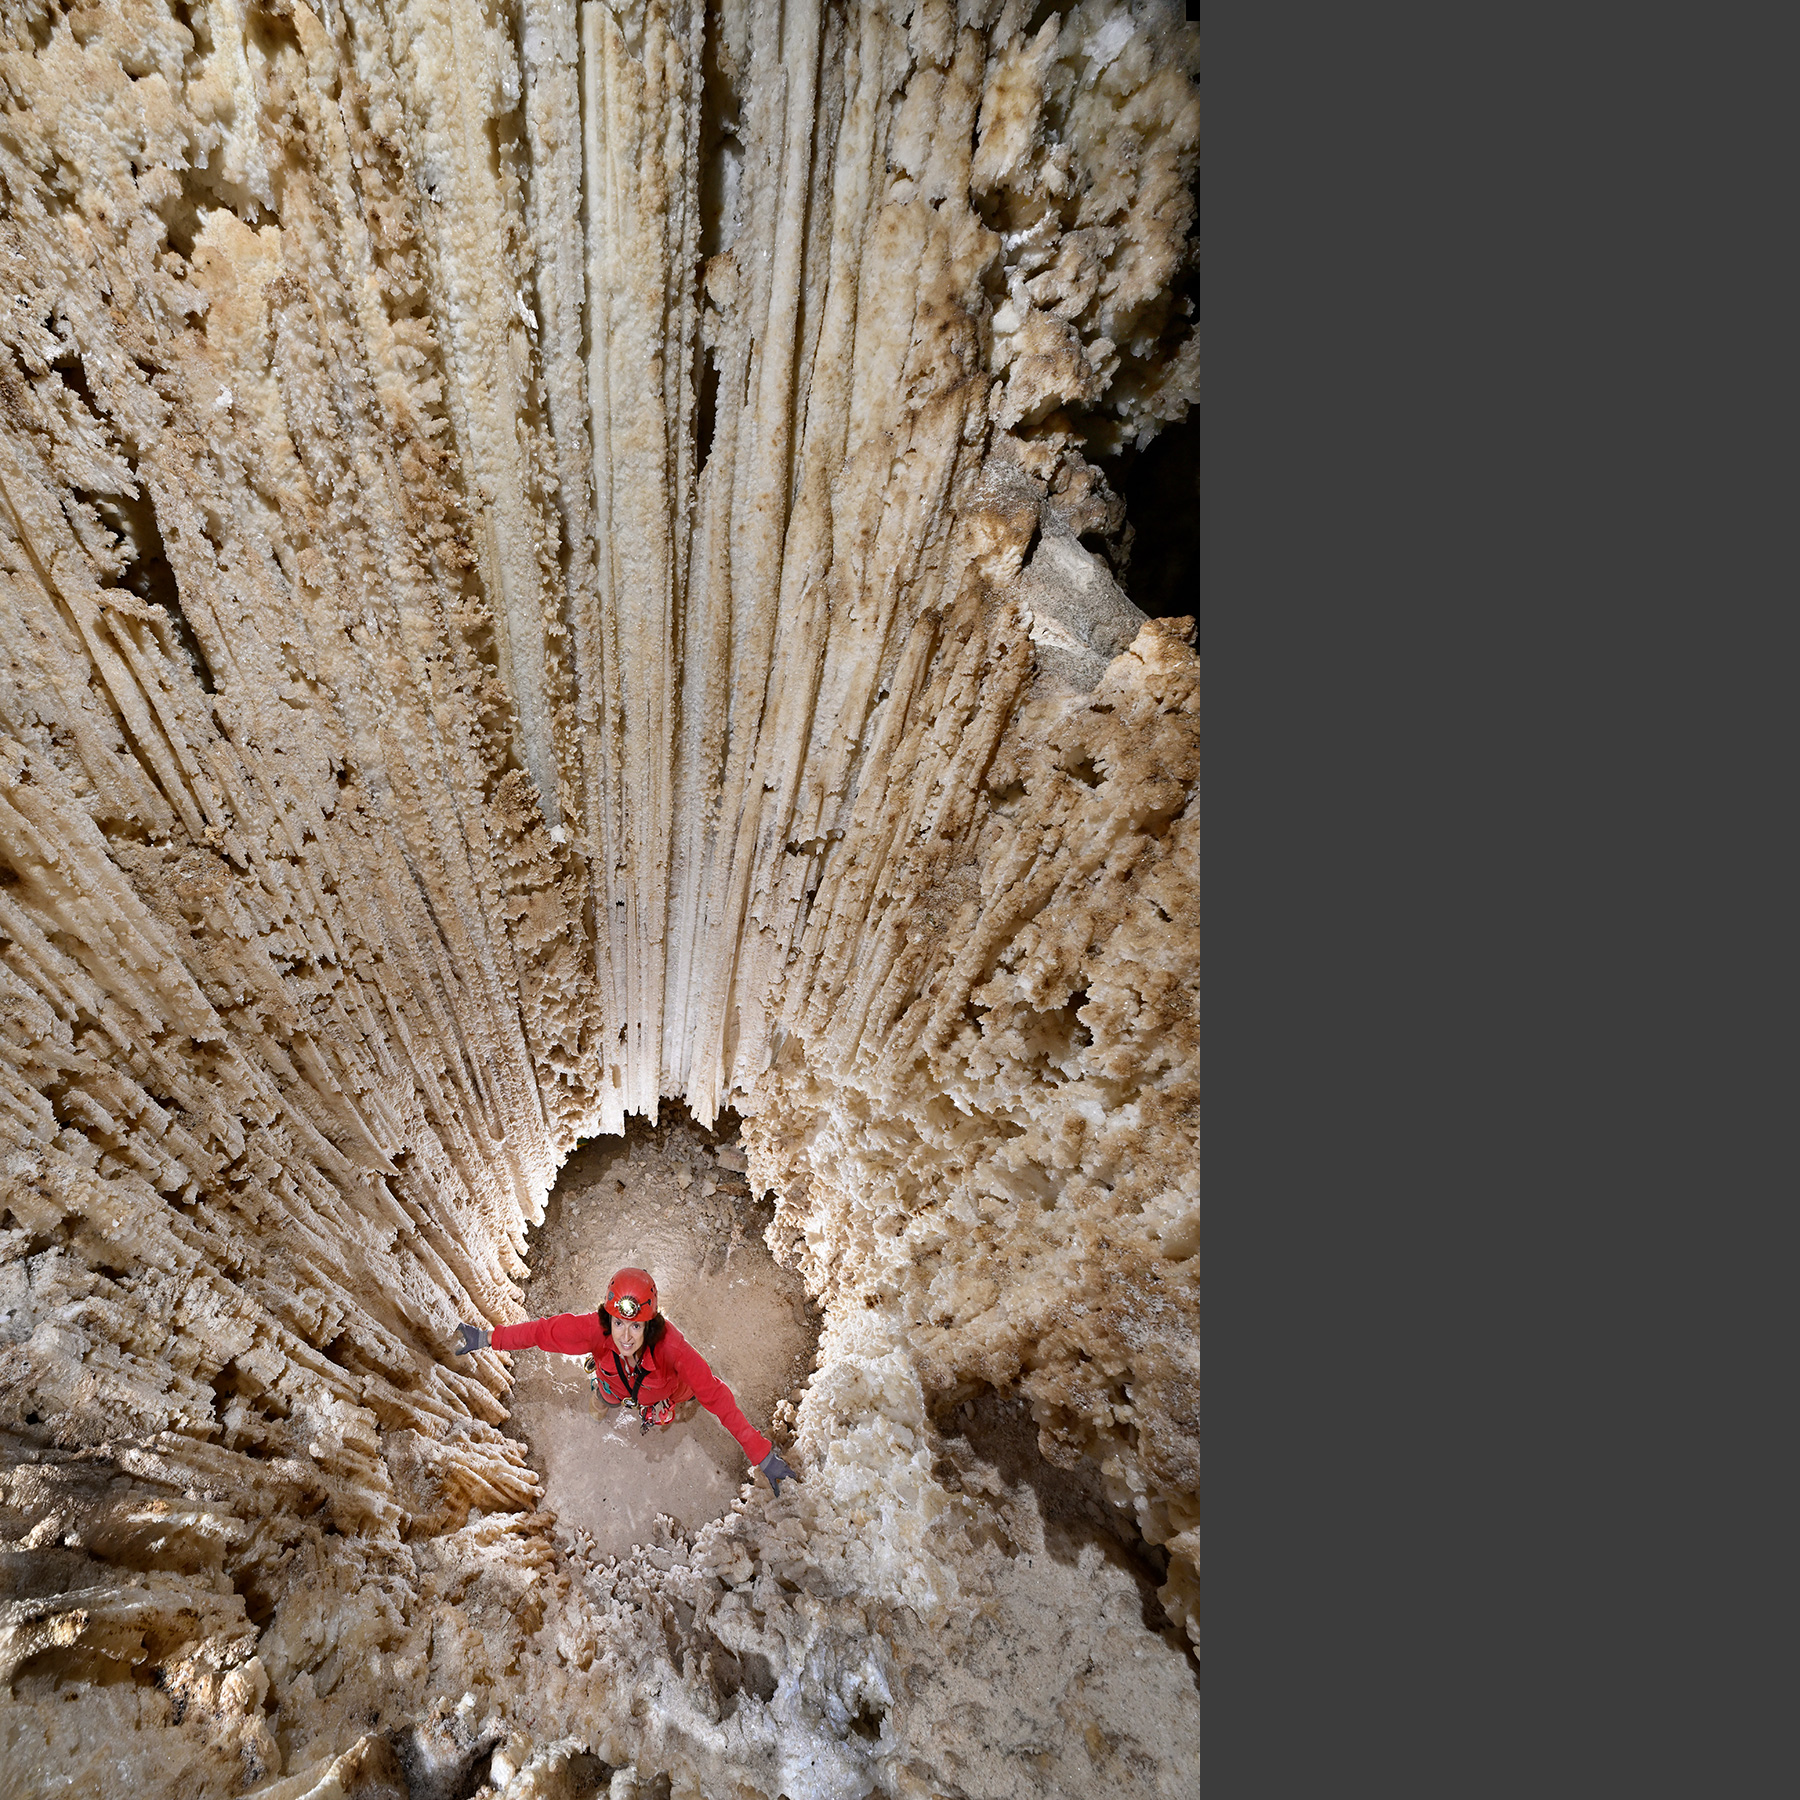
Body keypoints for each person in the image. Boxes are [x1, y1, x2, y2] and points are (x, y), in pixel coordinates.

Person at [451, 1266, 799, 1495]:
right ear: (608, 1318)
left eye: (635, 1325)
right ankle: (603, 1406)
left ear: (650, 1324)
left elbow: (717, 1397)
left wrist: (762, 1455)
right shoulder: (595, 1329)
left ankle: (653, 1410)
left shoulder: (674, 1349)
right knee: (601, 1402)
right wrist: (487, 1339)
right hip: (612, 1386)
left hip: (664, 1397)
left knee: (670, 1412)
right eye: (619, 1323)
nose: (626, 1337)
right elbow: (543, 1333)